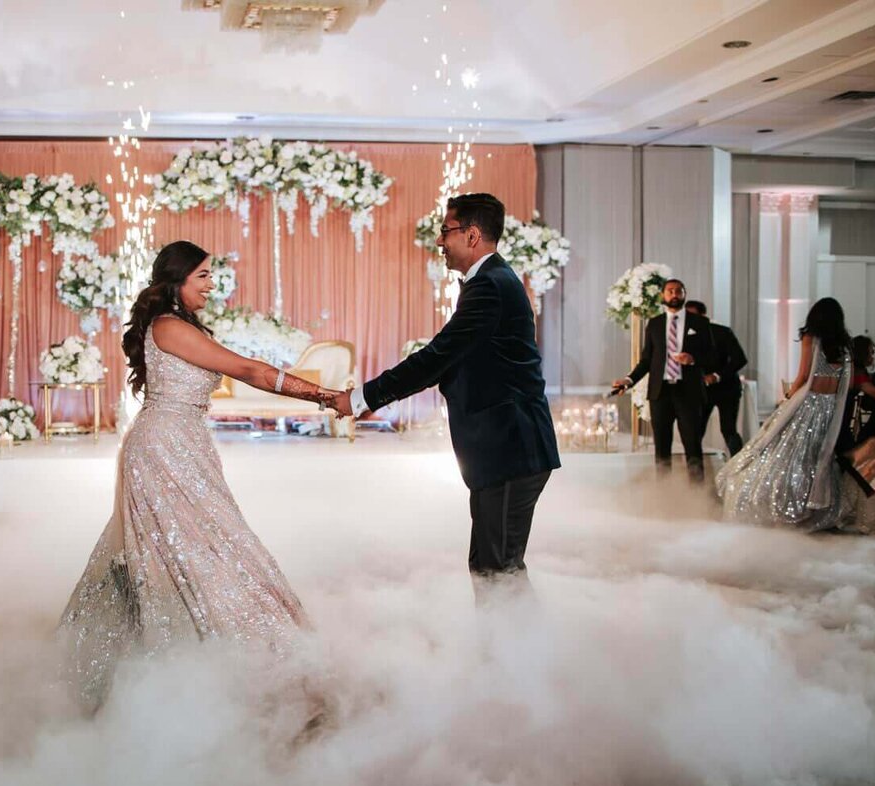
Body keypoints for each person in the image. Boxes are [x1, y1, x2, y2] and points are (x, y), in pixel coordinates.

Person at [58, 241, 340, 712]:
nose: (212, 285)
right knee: (199, 551)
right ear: (177, 280)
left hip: (182, 443)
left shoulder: (177, 325)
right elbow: (248, 368)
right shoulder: (168, 325)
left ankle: (199, 662)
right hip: (163, 448)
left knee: (198, 549)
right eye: (203, 276)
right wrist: (326, 397)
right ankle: (197, 670)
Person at [332, 192, 560, 591]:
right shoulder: (492, 282)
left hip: (511, 447)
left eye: (445, 231)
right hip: (502, 447)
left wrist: (361, 398)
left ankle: (517, 652)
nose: (439, 241)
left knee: (498, 571)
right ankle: (505, 650)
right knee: (489, 566)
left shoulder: (491, 285)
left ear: (472, 235)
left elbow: (438, 357)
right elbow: (454, 361)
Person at [715, 297, 852, 530]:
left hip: (808, 405)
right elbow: (843, 383)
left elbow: (802, 376)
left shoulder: (811, 338)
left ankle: (781, 502)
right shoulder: (844, 345)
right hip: (830, 408)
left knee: (786, 453)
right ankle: (811, 506)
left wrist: (786, 399)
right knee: (816, 457)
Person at [612, 279, 715, 483]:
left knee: (692, 446)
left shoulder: (699, 323)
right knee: (661, 448)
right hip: (660, 393)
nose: (674, 294)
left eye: (678, 291)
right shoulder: (655, 323)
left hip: (689, 393)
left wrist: (692, 359)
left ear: (684, 294)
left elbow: (712, 356)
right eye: (670, 291)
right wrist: (629, 379)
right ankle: (664, 496)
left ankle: (697, 496)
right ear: (663, 296)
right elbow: (647, 360)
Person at [685, 300, 748, 457]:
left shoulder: (722, 332)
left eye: (692, 316)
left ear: (703, 316)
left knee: (728, 429)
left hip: (727, 388)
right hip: (701, 390)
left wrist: (717, 376)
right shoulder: (685, 336)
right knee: (696, 430)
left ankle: (739, 467)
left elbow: (740, 359)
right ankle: (694, 470)